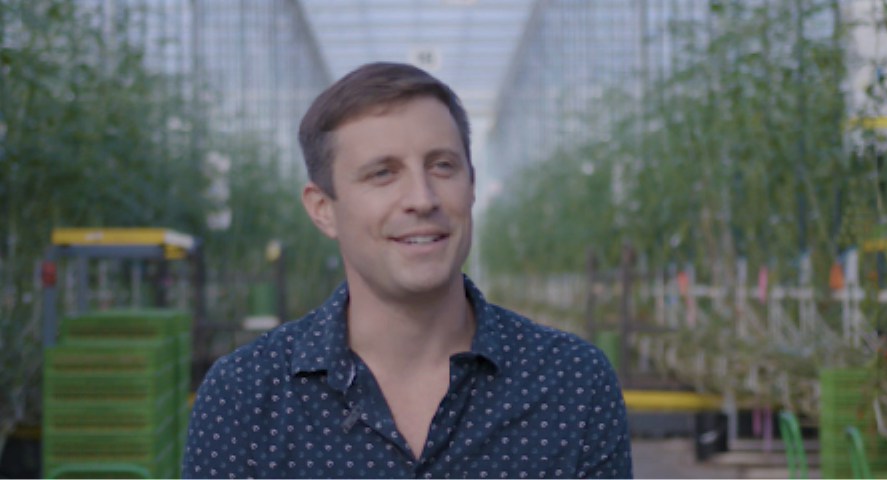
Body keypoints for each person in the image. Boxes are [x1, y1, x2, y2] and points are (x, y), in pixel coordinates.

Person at [183, 63, 632, 478]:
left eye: (442, 166)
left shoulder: (572, 385)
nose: (422, 198)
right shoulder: (244, 399)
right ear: (323, 209)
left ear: (471, 185)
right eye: (382, 173)